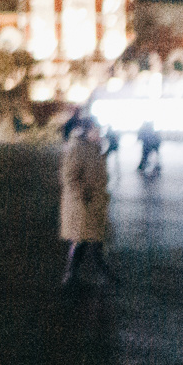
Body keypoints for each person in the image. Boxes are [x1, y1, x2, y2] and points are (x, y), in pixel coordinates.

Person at [59, 115, 120, 286]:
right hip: (82, 205)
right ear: (87, 131)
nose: (98, 133)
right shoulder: (77, 148)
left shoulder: (94, 147)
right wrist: (82, 196)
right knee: (84, 240)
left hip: (94, 203)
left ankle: (81, 274)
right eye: (95, 130)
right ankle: (74, 275)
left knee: (92, 240)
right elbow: (69, 177)